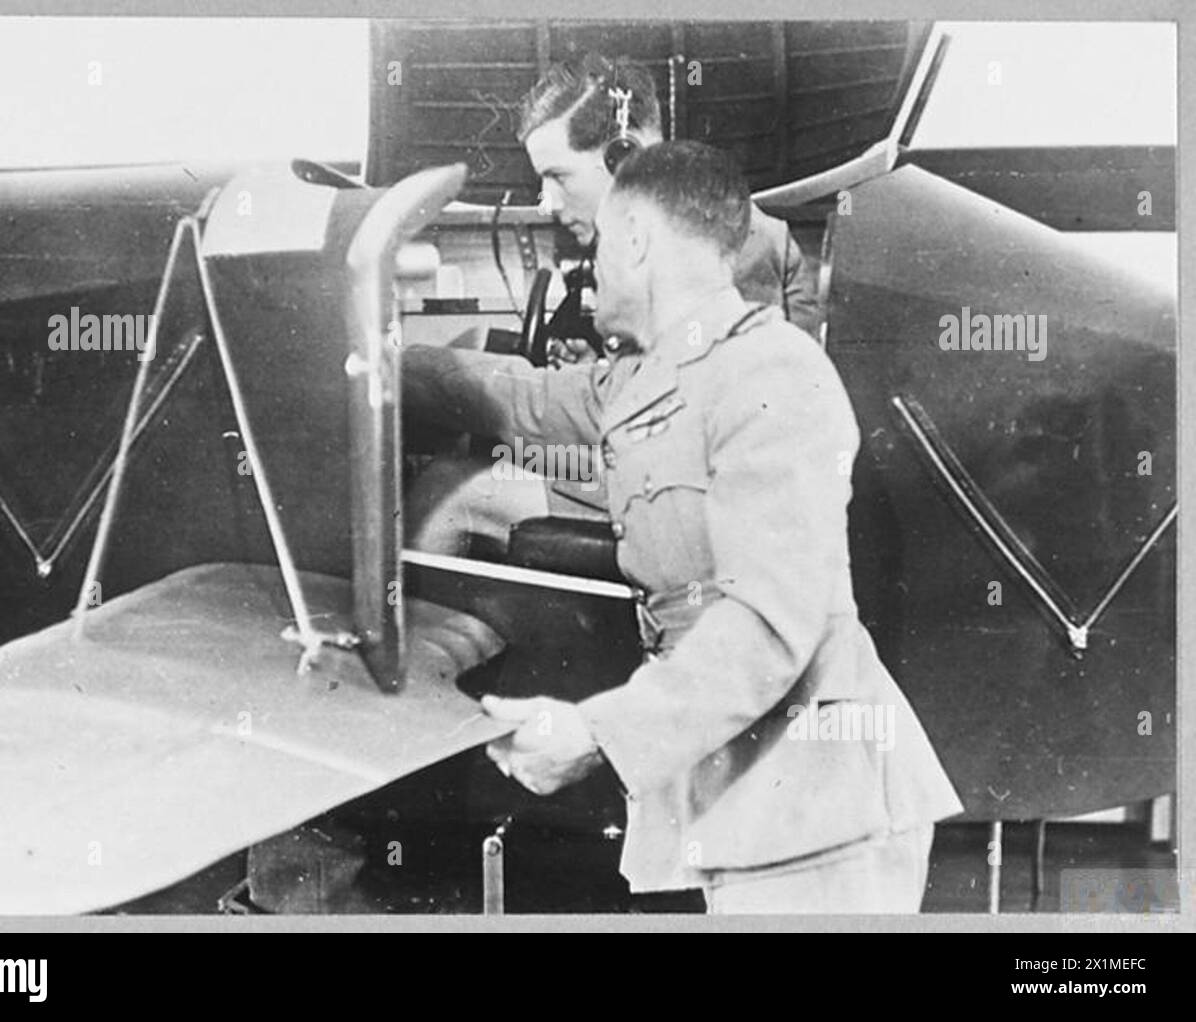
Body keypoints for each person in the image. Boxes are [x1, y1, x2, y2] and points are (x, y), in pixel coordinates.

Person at [402, 141, 963, 913]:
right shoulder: (645, 378)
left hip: (815, 808)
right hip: (731, 793)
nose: (591, 265)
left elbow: (767, 623)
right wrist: (376, 358)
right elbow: (518, 398)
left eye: (600, 242)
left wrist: (596, 731)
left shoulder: (774, 373)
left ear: (635, 239)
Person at [405, 52, 819, 556]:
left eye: (558, 176)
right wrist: (606, 367)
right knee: (484, 449)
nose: (547, 202)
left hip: (697, 500)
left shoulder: (725, 241)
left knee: (450, 492)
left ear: (625, 156)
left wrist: (426, 372)